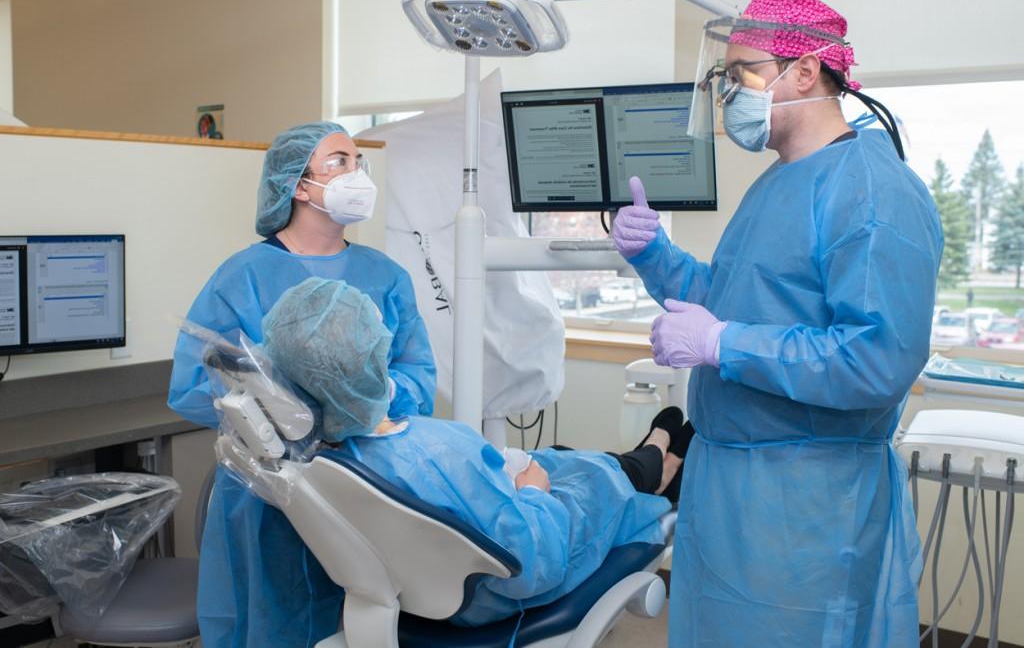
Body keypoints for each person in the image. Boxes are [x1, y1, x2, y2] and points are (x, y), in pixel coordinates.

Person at [611, 0, 943, 647]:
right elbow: (727, 299)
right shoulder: (778, 181)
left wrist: (722, 342)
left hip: (808, 507)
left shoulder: (873, 191)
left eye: (743, 74)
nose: (731, 92)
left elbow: (873, 359)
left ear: (806, 70)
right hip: (729, 488)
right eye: (726, 77)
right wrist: (654, 254)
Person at [245, 276, 692, 628]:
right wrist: (533, 494)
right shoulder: (439, 453)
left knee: (557, 455)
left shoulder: (332, 454)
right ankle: (658, 465)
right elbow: (537, 561)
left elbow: (372, 409)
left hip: (424, 581)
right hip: (492, 593)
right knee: (593, 480)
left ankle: (648, 455)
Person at [168, 122, 436, 648]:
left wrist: (363, 399)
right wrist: (284, 405)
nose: (355, 173)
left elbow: (418, 375)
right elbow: (193, 385)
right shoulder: (242, 276)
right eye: (340, 162)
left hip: (368, 482)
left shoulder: (384, 276)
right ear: (297, 184)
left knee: (366, 617)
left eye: (359, 162)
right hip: (271, 493)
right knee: (270, 620)